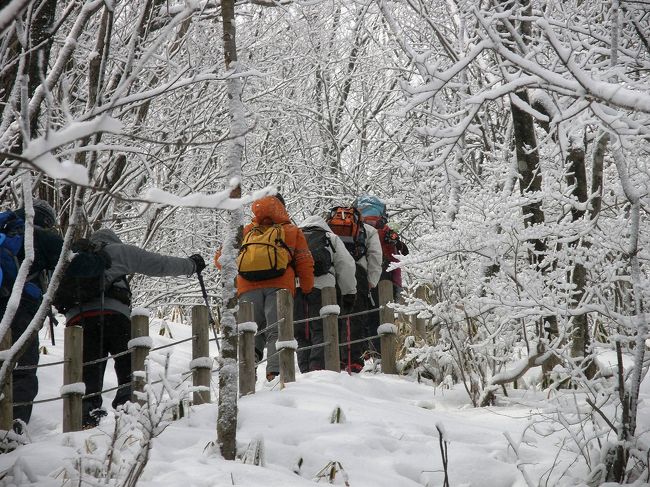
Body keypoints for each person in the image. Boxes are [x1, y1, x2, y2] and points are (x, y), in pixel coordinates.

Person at [63, 228, 205, 428]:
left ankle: (85, 417)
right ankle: (128, 412)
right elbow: (160, 264)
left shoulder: (72, 256)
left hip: (78, 322)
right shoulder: (120, 251)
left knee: (88, 370)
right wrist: (191, 265)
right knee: (128, 363)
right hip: (114, 316)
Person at [215, 194, 314, 381]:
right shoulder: (291, 231)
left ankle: (247, 369)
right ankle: (274, 374)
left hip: (247, 287)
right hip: (280, 286)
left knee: (251, 328)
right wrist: (307, 289)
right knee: (276, 328)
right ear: (282, 208)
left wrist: (245, 267)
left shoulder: (246, 231)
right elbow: (304, 262)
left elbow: (221, 259)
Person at [0, 199, 63, 431]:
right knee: (23, 369)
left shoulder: (5, 232)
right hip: (19, 309)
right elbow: (72, 261)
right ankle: (13, 430)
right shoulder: (38, 237)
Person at [294, 215, 356, 373]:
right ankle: (318, 370)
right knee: (321, 329)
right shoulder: (330, 237)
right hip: (323, 288)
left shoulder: (294, 236)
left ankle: (305, 372)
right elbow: (346, 265)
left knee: (301, 333)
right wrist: (349, 292)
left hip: (297, 289)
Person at [327, 206, 382, 373]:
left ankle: (334, 358)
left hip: (335, 272)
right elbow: (375, 255)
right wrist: (372, 280)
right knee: (355, 317)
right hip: (359, 273)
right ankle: (353, 361)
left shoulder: (327, 227)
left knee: (335, 314)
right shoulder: (368, 230)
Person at [353, 195, 409, 356]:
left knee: (362, 317)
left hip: (361, 278)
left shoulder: (357, 230)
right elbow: (403, 252)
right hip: (386, 279)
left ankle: (363, 354)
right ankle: (380, 355)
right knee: (381, 318)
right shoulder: (386, 231)